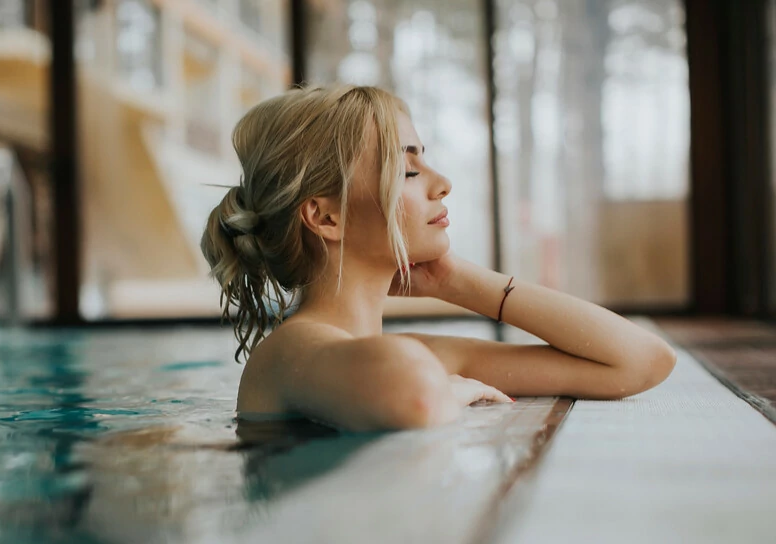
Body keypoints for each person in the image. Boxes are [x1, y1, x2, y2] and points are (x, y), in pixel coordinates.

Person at [200, 84, 677, 432]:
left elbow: (641, 362)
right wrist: (452, 388)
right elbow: (416, 396)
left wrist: (459, 282)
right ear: (326, 218)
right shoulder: (289, 352)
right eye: (408, 170)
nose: (441, 180)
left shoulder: (411, 355)